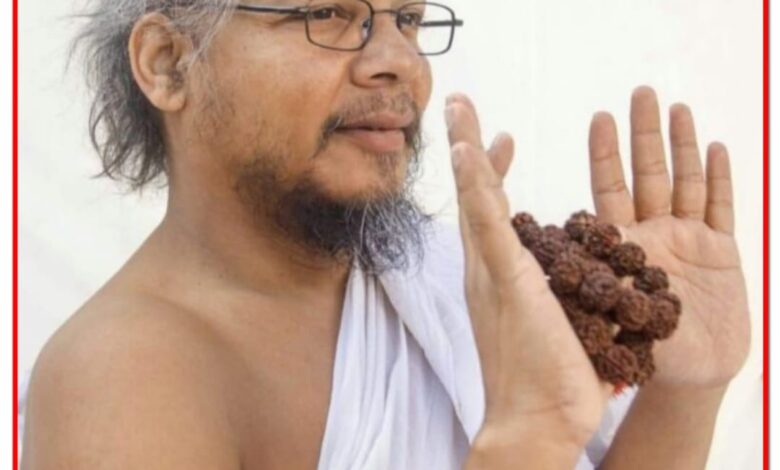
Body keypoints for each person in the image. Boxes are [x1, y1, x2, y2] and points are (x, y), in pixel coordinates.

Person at [20, 0, 751, 468]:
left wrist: (685, 393)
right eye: (327, 14)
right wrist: (525, 438)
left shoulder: (447, 280)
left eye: (407, 18)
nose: (399, 62)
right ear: (169, 64)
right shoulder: (118, 377)